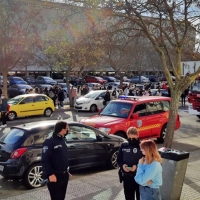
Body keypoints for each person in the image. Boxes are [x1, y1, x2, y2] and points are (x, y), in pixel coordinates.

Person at [42, 121, 70, 200]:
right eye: (67, 128)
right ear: (62, 130)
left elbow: (62, 156)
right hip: (55, 176)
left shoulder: (62, 139)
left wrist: (66, 169)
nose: (68, 130)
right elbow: (44, 160)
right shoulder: (50, 141)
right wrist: (50, 174)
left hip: (64, 175)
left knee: (61, 197)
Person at [117, 127, 143, 200]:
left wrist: (137, 167)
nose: (131, 140)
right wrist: (122, 166)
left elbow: (147, 161)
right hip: (127, 177)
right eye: (130, 138)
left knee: (140, 197)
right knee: (128, 197)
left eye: (134, 138)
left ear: (137, 136)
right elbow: (119, 160)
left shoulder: (142, 145)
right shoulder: (124, 145)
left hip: (140, 177)